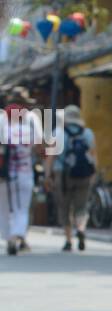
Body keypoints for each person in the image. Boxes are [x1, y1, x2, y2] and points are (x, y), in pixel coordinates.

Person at [0, 89, 42, 256]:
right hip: (24, 172)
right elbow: (40, 147)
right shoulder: (31, 119)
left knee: (3, 209)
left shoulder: (2, 119)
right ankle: (17, 236)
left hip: (2, 174)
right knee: (21, 209)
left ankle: (9, 237)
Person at [54, 103, 96, 252]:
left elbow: (51, 157)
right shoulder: (88, 133)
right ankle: (81, 228)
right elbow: (92, 155)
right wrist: (93, 173)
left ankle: (68, 240)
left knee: (65, 207)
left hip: (64, 174)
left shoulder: (59, 133)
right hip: (84, 174)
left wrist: (48, 175)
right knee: (81, 207)